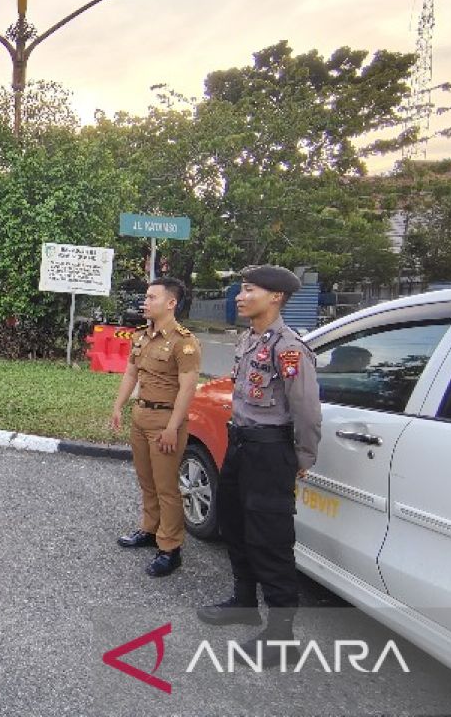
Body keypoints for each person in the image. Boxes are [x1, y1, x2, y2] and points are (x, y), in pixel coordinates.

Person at [196, 265, 322, 666]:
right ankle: (244, 601)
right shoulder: (249, 339)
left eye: (249, 290)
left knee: (270, 540)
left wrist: (302, 458)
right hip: (242, 444)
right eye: (241, 289)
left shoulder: (289, 348)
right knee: (233, 524)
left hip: (270, 453)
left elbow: (306, 411)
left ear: (275, 297)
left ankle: (282, 637)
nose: (239, 295)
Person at [110, 277, 201, 577]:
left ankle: (170, 548)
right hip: (141, 416)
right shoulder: (142, 336)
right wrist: (118, 406)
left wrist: (174, 427)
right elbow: (130, 374)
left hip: (165, 420)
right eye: (146, 298)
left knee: (166, 488)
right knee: (146, 481)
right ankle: (150, 530)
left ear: (171, 303)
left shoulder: (183, 342)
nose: (145, 302)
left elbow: (188, 389)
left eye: (151, 297)